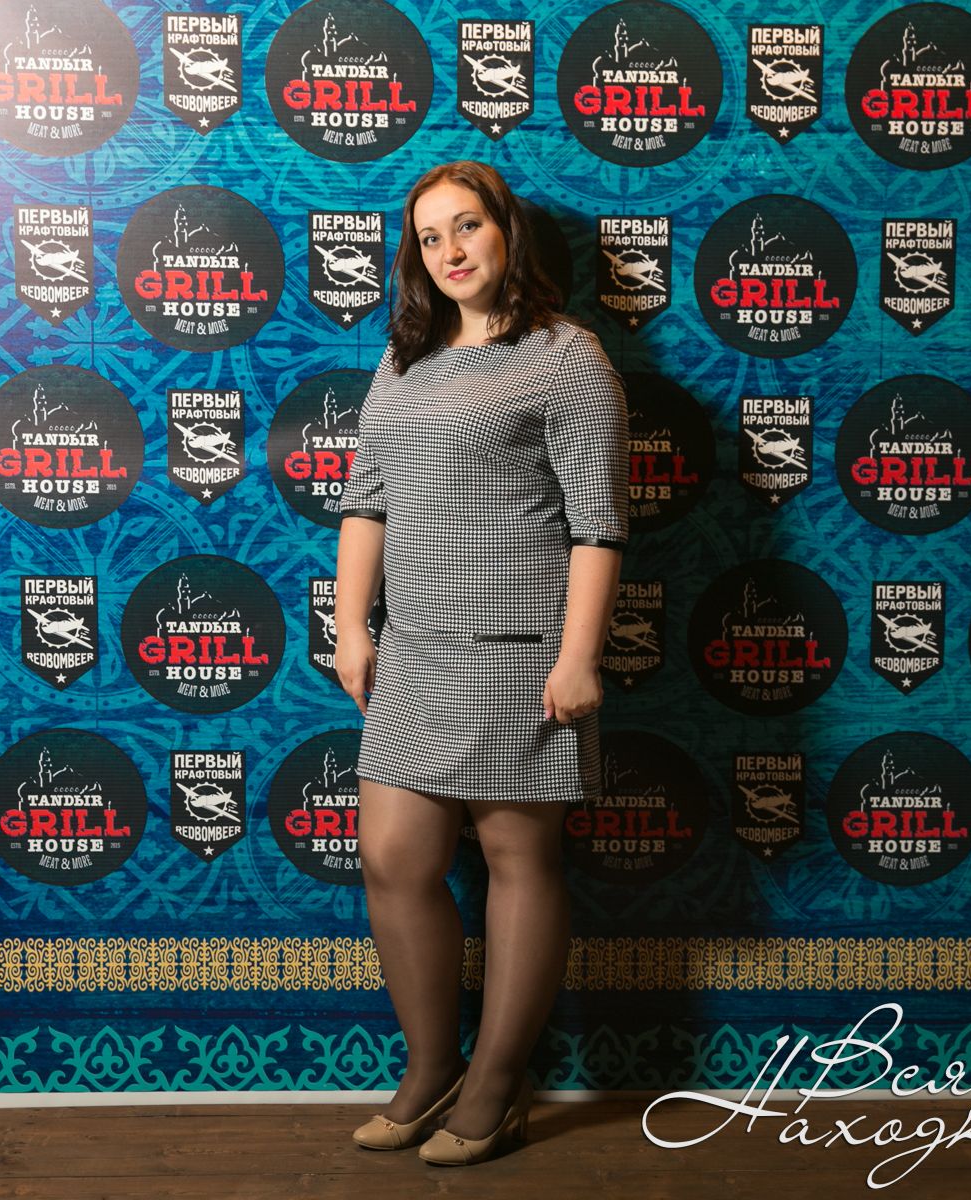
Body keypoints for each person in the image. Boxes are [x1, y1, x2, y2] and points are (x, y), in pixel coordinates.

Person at [334, 160, 629, 1167]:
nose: (450, 250)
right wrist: (352, 625)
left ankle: (498, 1087)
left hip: (519, 653)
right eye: (430, 237)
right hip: (413, 650)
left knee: (518, 863)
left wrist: (580, 657)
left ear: (508, 232)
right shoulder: (403, 359)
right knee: (394, 861)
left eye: (467, 226)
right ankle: (432, 1070)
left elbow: (598, 525)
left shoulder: (564, 356)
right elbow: (365, 498)